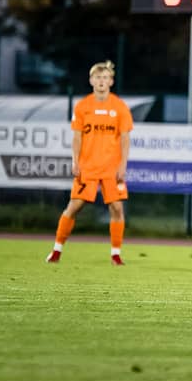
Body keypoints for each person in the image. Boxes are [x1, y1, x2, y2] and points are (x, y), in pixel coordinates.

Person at [46, 60, 134, 265]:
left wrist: (123, 165)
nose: (101, 81)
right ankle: (56, 250)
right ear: (91, 80)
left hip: (111, 168)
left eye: (105, 78)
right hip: (88, 166)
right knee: (74, 206)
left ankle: (116, 254)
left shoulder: (120, 107)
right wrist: (75, 161)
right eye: (98, 77)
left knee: (117, 208)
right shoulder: (83, 106)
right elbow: (77, 138)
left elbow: (125, 138)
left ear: (111, 81)